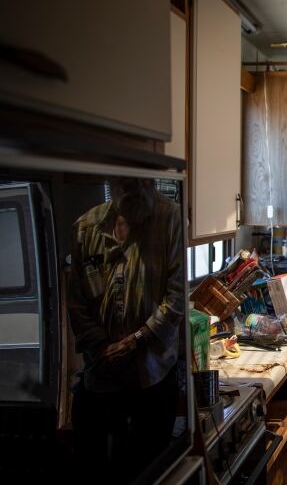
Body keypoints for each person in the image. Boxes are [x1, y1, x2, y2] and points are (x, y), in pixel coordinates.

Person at [68, 178, 184, 482]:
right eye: (125, 180)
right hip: (102, 370)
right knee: (97, 465)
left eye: (140, 179)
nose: (133, 186)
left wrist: (135, 340)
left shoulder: (170, 218)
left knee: (149, 468)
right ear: (111, 179)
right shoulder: (86, 227)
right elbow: (77, 301)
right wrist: (101, 347)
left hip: (153, 372)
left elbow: (177, 297)